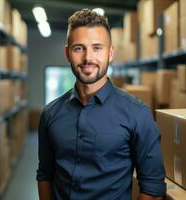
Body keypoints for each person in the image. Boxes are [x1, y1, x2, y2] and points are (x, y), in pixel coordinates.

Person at [37, 8, 166, 200]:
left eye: (97, 48)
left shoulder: (137, 114)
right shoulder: (50, 114)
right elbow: (46, 174)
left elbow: (153, 189)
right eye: (79, 48)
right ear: (67, 53)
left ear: (110, 53)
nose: (88, 57)